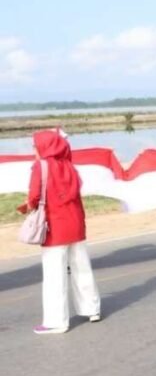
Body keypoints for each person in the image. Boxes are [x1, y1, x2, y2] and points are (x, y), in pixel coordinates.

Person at [22, 130, 101, 334]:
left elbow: (34, 196)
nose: (34, 148)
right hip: (75, 224)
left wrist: (27, 206)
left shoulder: (41, 166)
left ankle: (56, 321)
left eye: (35, 145)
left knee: (55, 274)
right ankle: (92, 309)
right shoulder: (69, 165)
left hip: (55, 227)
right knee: (81, 268)